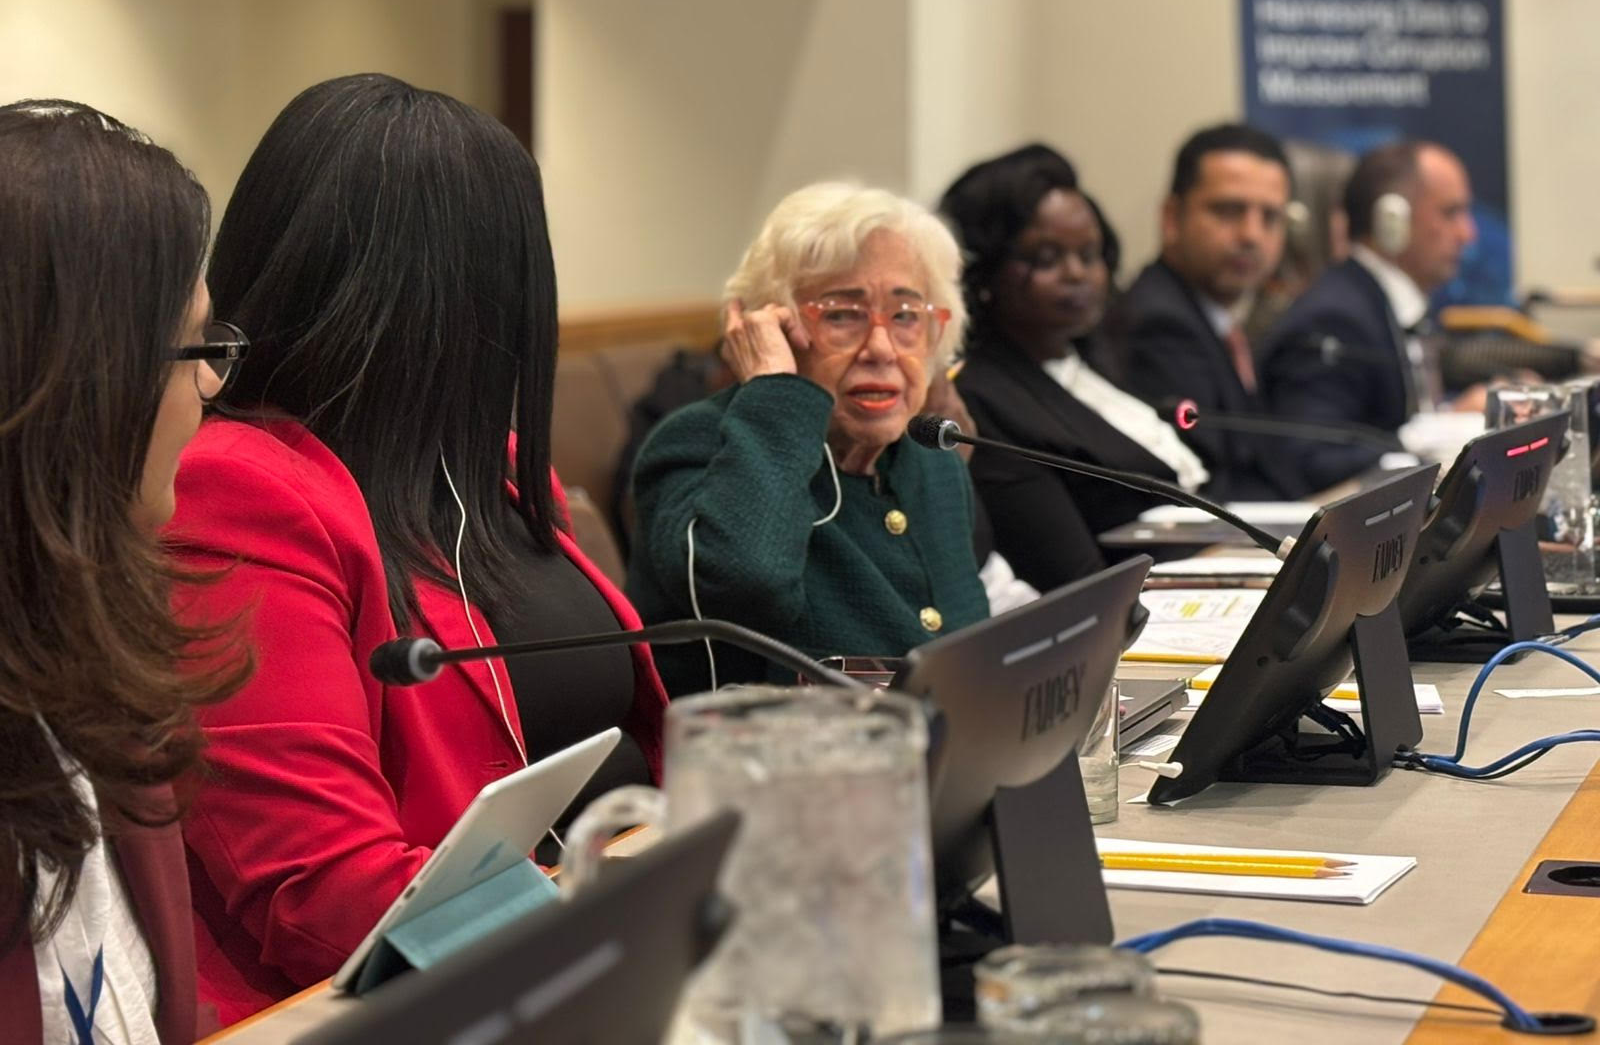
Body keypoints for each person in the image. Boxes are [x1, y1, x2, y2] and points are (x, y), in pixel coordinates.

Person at [163, 75, 667, 1023]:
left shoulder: (494, 468)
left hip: (588, 952)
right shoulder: (235, 491)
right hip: (404, 1004)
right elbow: (330, 891)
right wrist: (607, 913)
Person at [0, 101, 250, 1042]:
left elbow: (135, 1008)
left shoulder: (91, 658)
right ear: (83, 384)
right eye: (196, 348)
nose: (213, 387)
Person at [627, 181, 990, 694]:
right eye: (842, 314)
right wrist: (777, 390)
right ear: (768, 327)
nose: (881, 348)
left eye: (907, 315)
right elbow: (748, 583)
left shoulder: (929, 457)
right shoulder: (697, 443)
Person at [940, 145, 1210, 593]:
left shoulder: (1096, 358)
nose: (1077, 274)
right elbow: (1076, 578)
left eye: (1089, 254)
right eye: (1046, 259)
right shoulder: (981, 398)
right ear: (984, 272)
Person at [1258, 139, 1476, 490]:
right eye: (1451, 213)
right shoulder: (1335, 318)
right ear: (1392, 220)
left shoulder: (1381, 303)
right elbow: (1312, 461)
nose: (1468, 233)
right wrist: (1423, 446)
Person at [1105, 124, 1309, 499]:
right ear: (1171, 218)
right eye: (1229, 211)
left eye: (1270, 217)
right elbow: (1214, 488)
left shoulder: (1221, 318)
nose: (1252, 235)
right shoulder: (1160, 325)